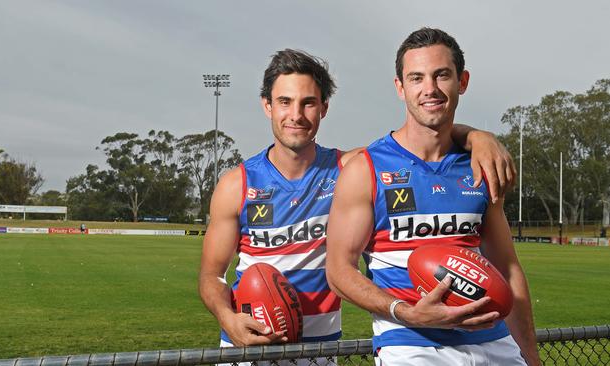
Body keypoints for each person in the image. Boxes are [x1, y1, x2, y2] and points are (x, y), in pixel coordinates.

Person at [197, 48, 517, 353]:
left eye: (308, 103)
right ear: (267, 106)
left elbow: (419, 136)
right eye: (284, 102)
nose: (296, 115)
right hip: (249, 342)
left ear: (324, 108)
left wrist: (476, 136)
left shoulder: (350, 169)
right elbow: (212, 275)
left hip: (320, 349)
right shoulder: (237, 185)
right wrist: (228, 319)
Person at [325, 28, 540, 365]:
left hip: (494, 340)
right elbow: (338, 271)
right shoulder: (365, 169)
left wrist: (530, 357)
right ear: (400, 87)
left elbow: (508, 269)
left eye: (442, 75)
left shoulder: (480, 165)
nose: (430, 89)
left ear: (462, 81)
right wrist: (406, 312)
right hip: (412, 343)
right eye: (416, 78)